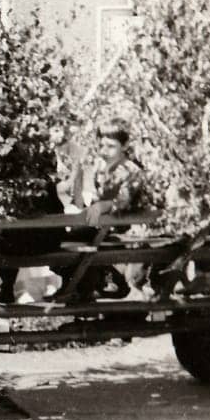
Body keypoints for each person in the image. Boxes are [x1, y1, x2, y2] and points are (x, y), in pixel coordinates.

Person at [66, 117, 152, 300]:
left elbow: (122, 201)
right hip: (106, 228)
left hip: (128, 230)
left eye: (111, 146)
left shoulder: (130, 170)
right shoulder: (101, 167)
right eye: (101, 146)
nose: (104, 151)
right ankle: (79, 286)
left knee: (83, 239)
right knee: (70, 237)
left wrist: (101, 205)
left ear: (125, 145)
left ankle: (105, 283)